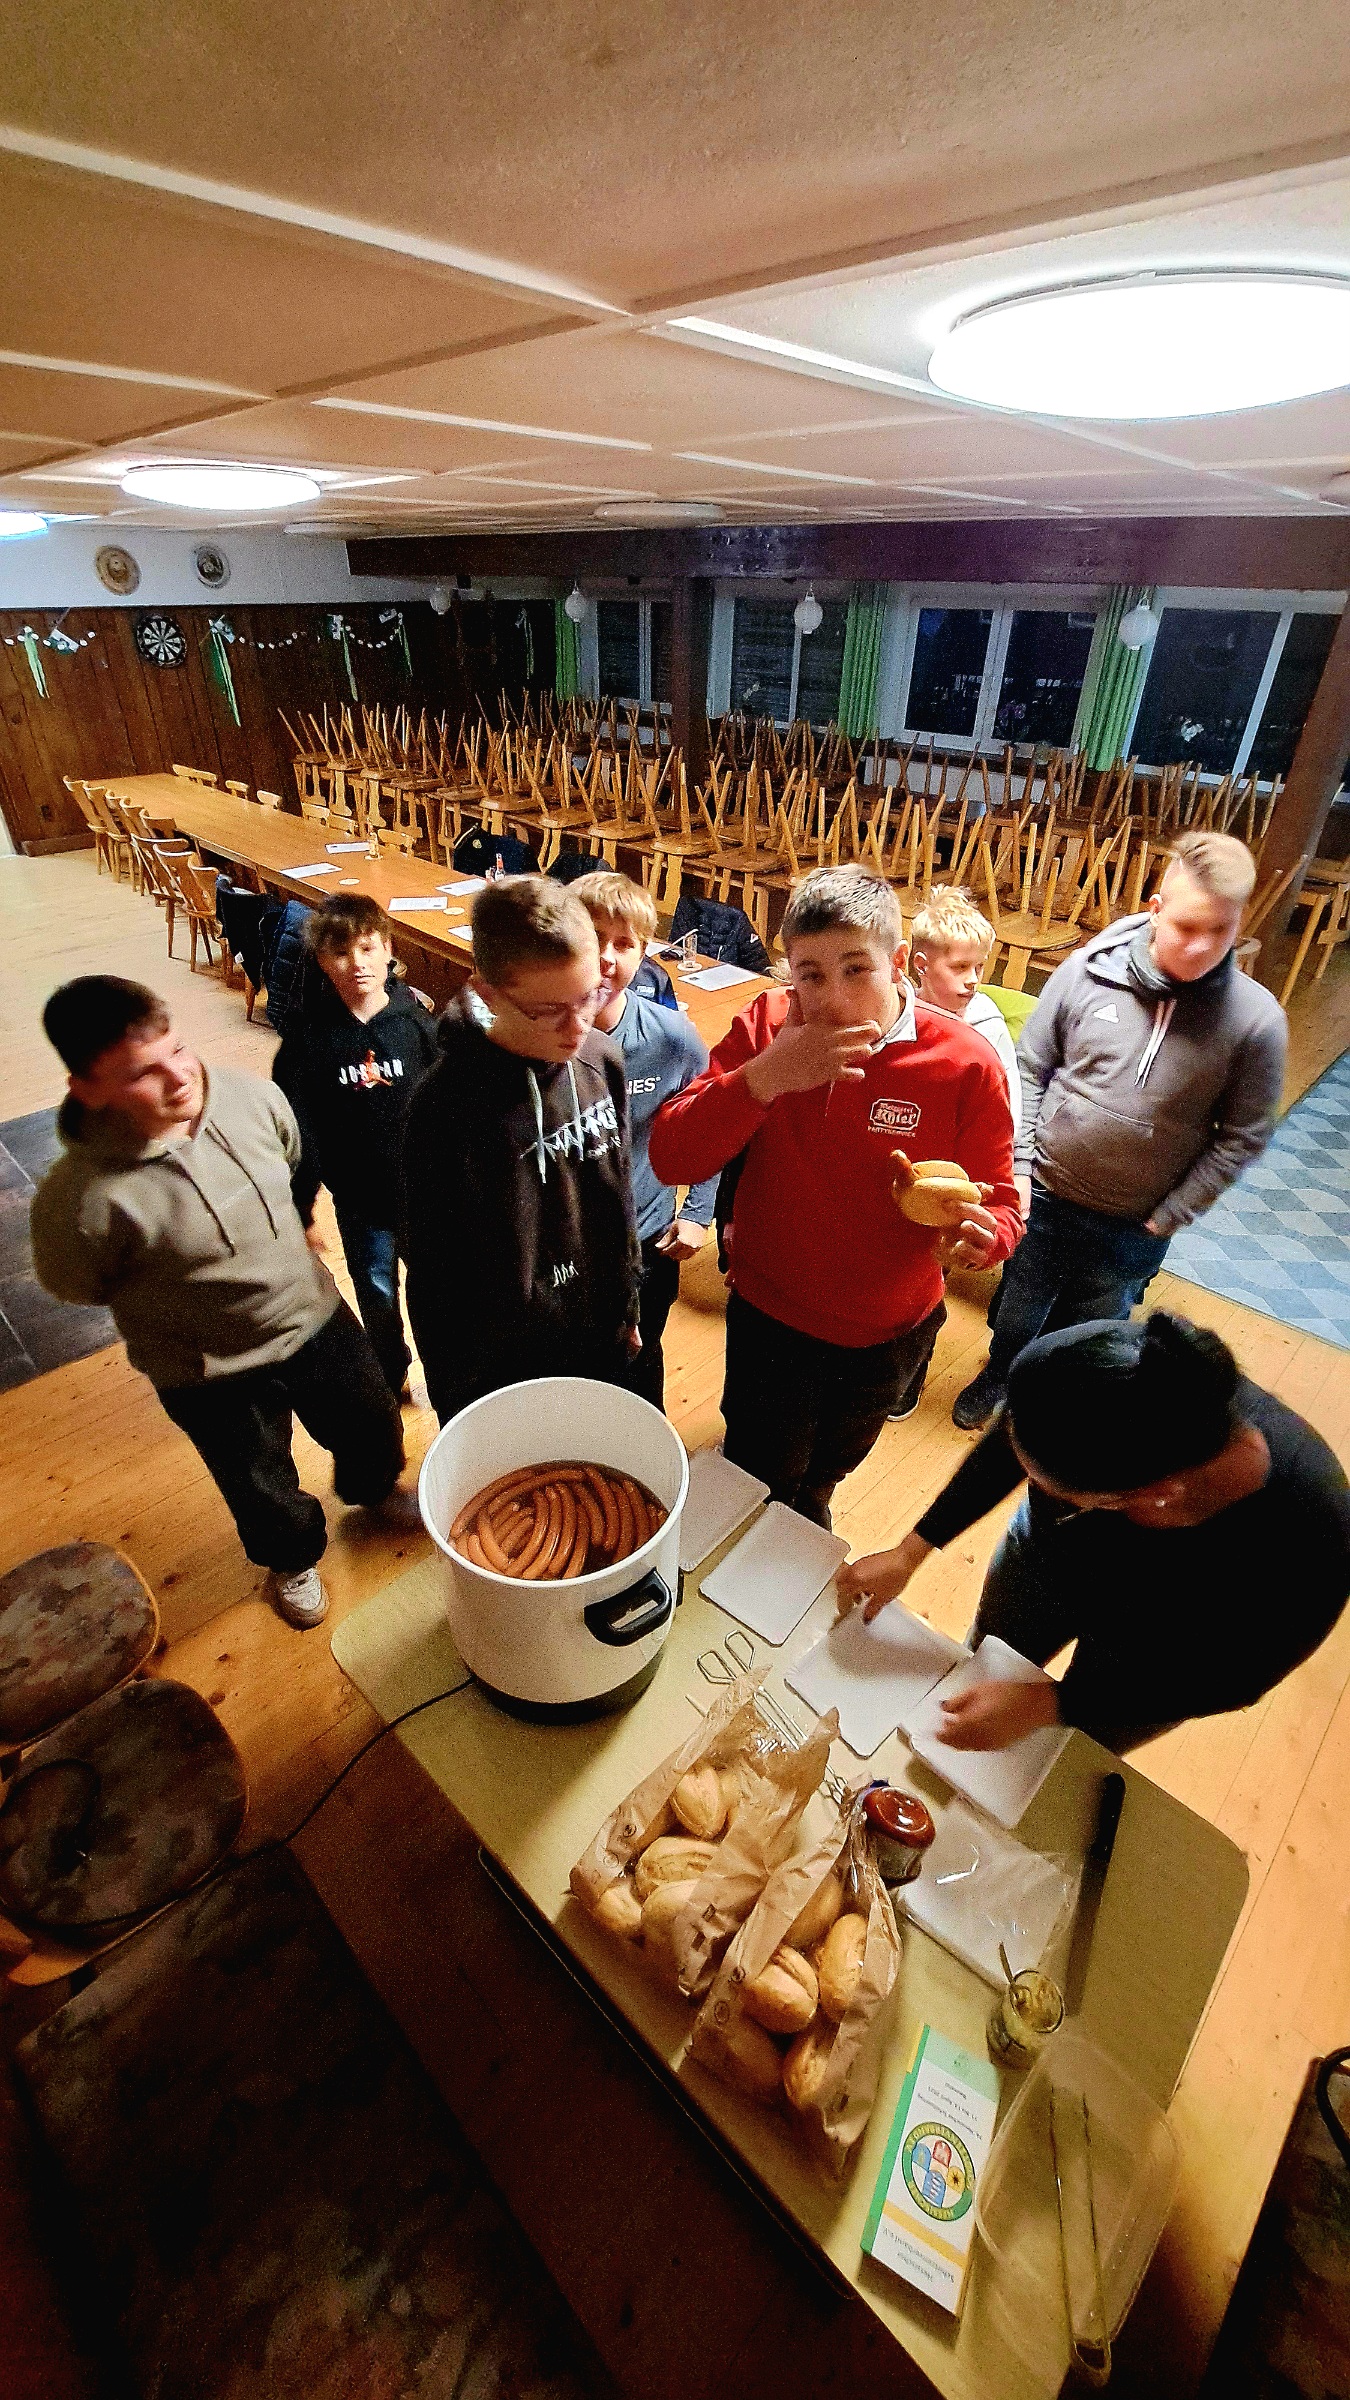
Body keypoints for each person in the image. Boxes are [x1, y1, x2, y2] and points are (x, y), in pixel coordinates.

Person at [31, 977, 410, 1630]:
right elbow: (77, 1284)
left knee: (371, 1420)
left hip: (312, 1315)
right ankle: (292, 1557)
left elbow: (296, 1163)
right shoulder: (78, 1199)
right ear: (87, 1090)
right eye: (142, 1073)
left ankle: (373, 1491)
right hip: (207, 1371)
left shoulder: (250, 1097)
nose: (179, 1077)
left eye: (178, 1049)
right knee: (258, 1480)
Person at [649, 866, 1022, 1527]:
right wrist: (765, 1076)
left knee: (831, 1466)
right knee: (758, 1462)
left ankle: (810, 1507)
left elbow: (1000, 1202)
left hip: (890, 1328)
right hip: (771, 1312)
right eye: (810, 975)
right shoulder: (769, 1025)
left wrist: (983, 1235)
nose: (832, 998)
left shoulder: (966, 1062)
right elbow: (673, 1155)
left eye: (856, 969)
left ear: (899, 964)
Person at [837, 1311, 1350, 1755]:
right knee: (982, 1673)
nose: (1028, 1480)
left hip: (1160, 1655)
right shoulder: (1107, 1362)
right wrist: (912, 1550)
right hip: (1043, 1564)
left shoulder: (1315, 1532)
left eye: (1053, 1489)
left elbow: (1232, 1678)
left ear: (1151, 1498)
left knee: (1070, 1757)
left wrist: (1058, 1704)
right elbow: (1017, 1437)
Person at [952, 830, 1287, 1431]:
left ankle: (1054, 1410)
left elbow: (1243, 1136)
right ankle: (1000, 1375)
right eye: (1187, 927)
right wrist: (1018, 1169)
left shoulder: (1257, 1023)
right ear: (1155, 910)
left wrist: (1171, 1214)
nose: (1202, 946)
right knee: (1020, 1308)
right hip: (1043, 1195)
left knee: (1094, 1327)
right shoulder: (1085, 972)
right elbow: (1030, 1068)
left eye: (1221, 930)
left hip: (1136, 1220)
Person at [402, 877, 641, 1425]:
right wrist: (457, 1398)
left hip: (598, 1332)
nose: (578, 1026)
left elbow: (617, 1191)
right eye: (549, 1009)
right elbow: (433, 1272)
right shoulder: (441, 1109)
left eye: (590, 996)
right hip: (502, 1363)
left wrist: (627, 1302)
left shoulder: (601, 1059)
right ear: (486, 993)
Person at [271, 894, 438, 1400]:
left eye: (367, 948)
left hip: (425, 1196)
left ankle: (445, 1368)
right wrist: (301, 1207)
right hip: (362, 1202)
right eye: (341, 953)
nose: (357, 963)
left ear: (388, 949)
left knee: (436, 1291)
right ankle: (391, 1375)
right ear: (322, 961)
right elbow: (300, 1134)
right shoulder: (306, 1043)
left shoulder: (420, 1027)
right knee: (377, 1292)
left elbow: (449, 1111)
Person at [571, 871, 717, 1411]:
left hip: (646, 1237)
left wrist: (699, 1212)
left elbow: (709, 1125)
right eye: (594, 938)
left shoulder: (671, 1037)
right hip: (567, 1241)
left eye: (624, 944)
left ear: (645, 951)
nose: (607, 959)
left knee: (640, 1356)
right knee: (573, 1363)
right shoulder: (540, 1037)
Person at [889, 884, 1023, 1422]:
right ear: (920, 965)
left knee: (929, 1279)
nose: (973, 980)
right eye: (961, 967)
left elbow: (1008, 1104)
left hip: (951, 1181)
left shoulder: (985, 1023)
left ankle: (907, 1377)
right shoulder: (894, 1012)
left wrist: (1009, 1175)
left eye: (980, 967)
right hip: (895, 1167)